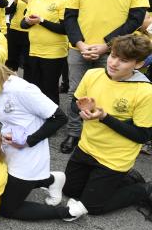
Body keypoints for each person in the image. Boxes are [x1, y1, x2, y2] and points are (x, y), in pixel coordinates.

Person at [0, 53, 88, 223]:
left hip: (29, 154)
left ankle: (68, 212)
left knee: (7, 208)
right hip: (12, 150)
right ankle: (51, 179)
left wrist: (28, 141)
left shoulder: (21, 89)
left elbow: (59, 118)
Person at [62, 0, 149, 154]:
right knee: (76, 94)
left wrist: (106, 45)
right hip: (79, 49)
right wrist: (80, 44)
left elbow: (136, 18)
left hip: (115, 51)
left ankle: (101, 139)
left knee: (108, 95)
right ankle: (74, 133)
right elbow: (70, 16)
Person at [63, 34, 152, 216]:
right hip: (86, 148)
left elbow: (142, 136)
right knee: (70, 192)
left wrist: (104, 117)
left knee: (93, 208)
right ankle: (122, 179)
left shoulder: (145, 91)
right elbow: (74, 102)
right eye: (113, 56)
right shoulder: (92, 74)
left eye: (124, 60)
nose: (113, 63)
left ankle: (144, 189)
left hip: (114, 159)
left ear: (138, 64)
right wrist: (81, 110)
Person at [21, 0, 68, 105]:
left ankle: (53, 118)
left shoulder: (65, 0)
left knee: (50, 88)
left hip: (54, 53)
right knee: (34, 88)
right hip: (34, 50)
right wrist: (29, 21)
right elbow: (23, 24)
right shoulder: (36, 0)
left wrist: (41, 21)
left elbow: (64, 29)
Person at [5, 0, 40, 74]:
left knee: (28, 63)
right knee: (11, 61)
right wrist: (15, 1)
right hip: (14, 28)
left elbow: (39, 11)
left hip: (29, 31)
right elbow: (11, 10)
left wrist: (27, 0)